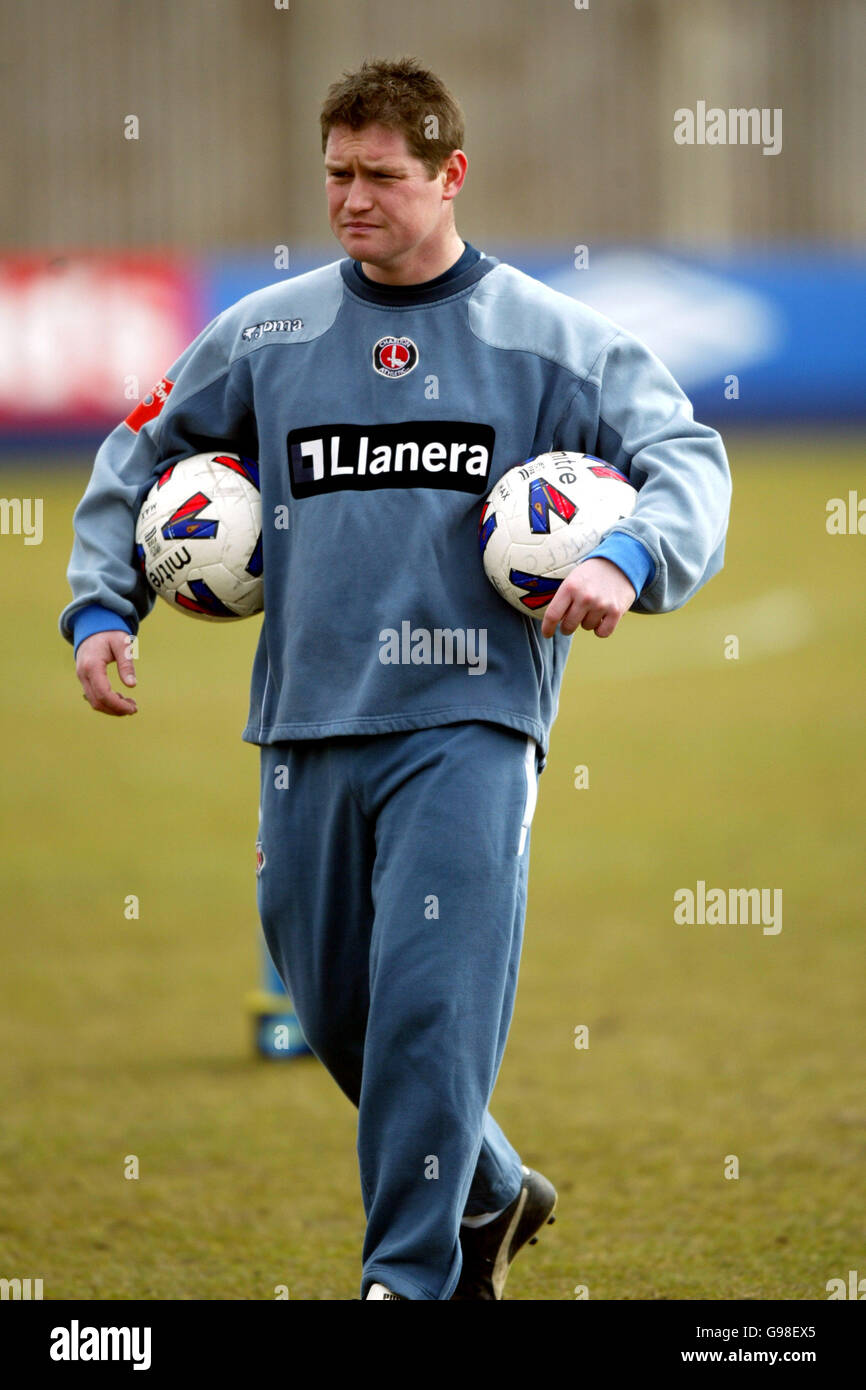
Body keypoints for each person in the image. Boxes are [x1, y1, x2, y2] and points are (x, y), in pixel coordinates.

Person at [60, 56, 732, 1301]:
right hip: (306, 720)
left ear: (448, 175)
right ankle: (484, 1192)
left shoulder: (549, 337)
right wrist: (107, 598)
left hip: (468, 722)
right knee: (336, 1014)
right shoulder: (265, 332)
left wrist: (632, 554)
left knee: (427, 1005)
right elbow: (139, 445)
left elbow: (684, 454)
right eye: (335, 175)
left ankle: (405, 1280)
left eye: (380, 176)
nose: (351, 199)